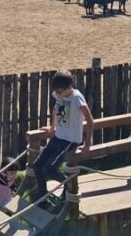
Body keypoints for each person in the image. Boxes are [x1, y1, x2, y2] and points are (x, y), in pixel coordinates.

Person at [33, 71, 93, 210]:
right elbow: (56, 108)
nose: (58, 94)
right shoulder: (60, 95)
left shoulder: (77, 98)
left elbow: (89, 120)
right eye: (56, 91)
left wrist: (88, 144)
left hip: (70, 140)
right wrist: (52, 127)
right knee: (37, 167)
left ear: (69, 86)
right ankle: (43, 199)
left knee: (49, 169)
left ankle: (69, 185)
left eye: (61, 91)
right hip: (58, 136)